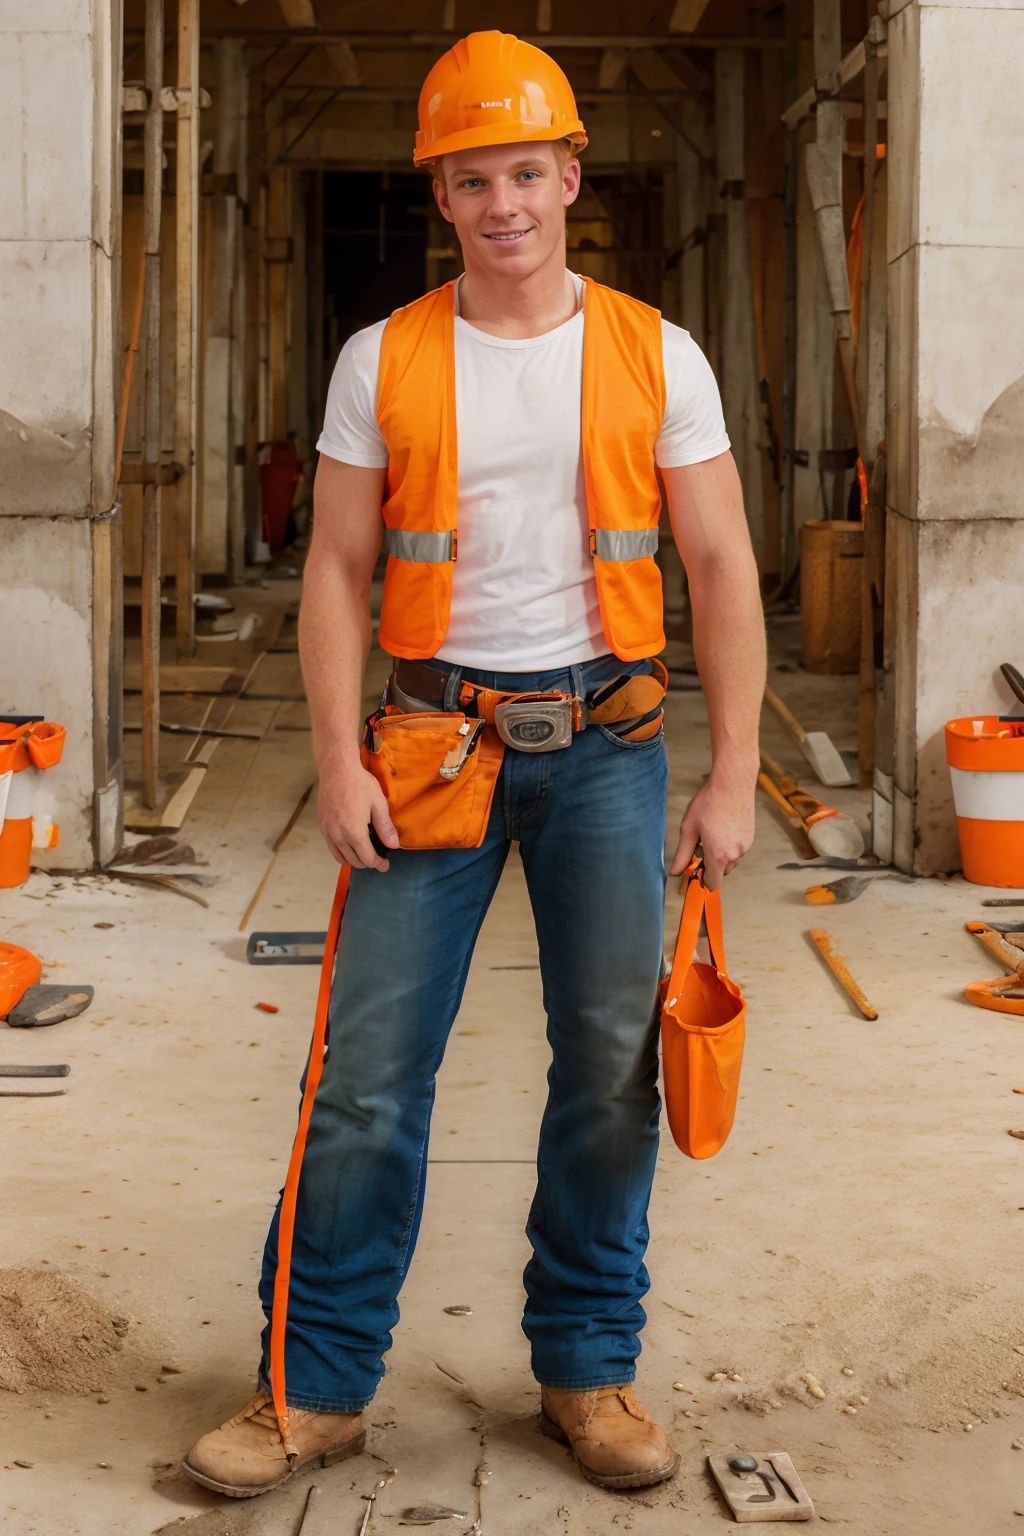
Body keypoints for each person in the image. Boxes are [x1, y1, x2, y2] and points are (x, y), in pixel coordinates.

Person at [183, 29, 765, 1500]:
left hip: (614, 750)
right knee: (368, 1078)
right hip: (432, 744)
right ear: (438, 193)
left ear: (571, 175)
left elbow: (719, 561)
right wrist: (336, 753)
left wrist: (734, 769)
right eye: (468, 178)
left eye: (523, 171)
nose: (500, 201)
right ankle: (309, 1386)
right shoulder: (384, 356)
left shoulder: (657, 353)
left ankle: (588, 1364)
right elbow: (332, 564)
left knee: (611, 1075)